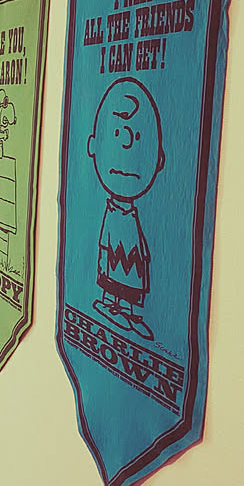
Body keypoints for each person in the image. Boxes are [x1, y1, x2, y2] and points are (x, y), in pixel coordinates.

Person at [87, 77, 165, 341]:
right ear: (93, 146)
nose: (127, 143)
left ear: (159, 160)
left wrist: (144, 257)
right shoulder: (112, 214)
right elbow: (104, 242)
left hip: (131, 253)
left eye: (137, 136)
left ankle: (129, 313)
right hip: (117, 251)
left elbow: (138, 241)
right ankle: (111, 304)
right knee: (114, 274)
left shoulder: (132, 216)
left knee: (130, 278)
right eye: (118, 134)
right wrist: (102, 261)